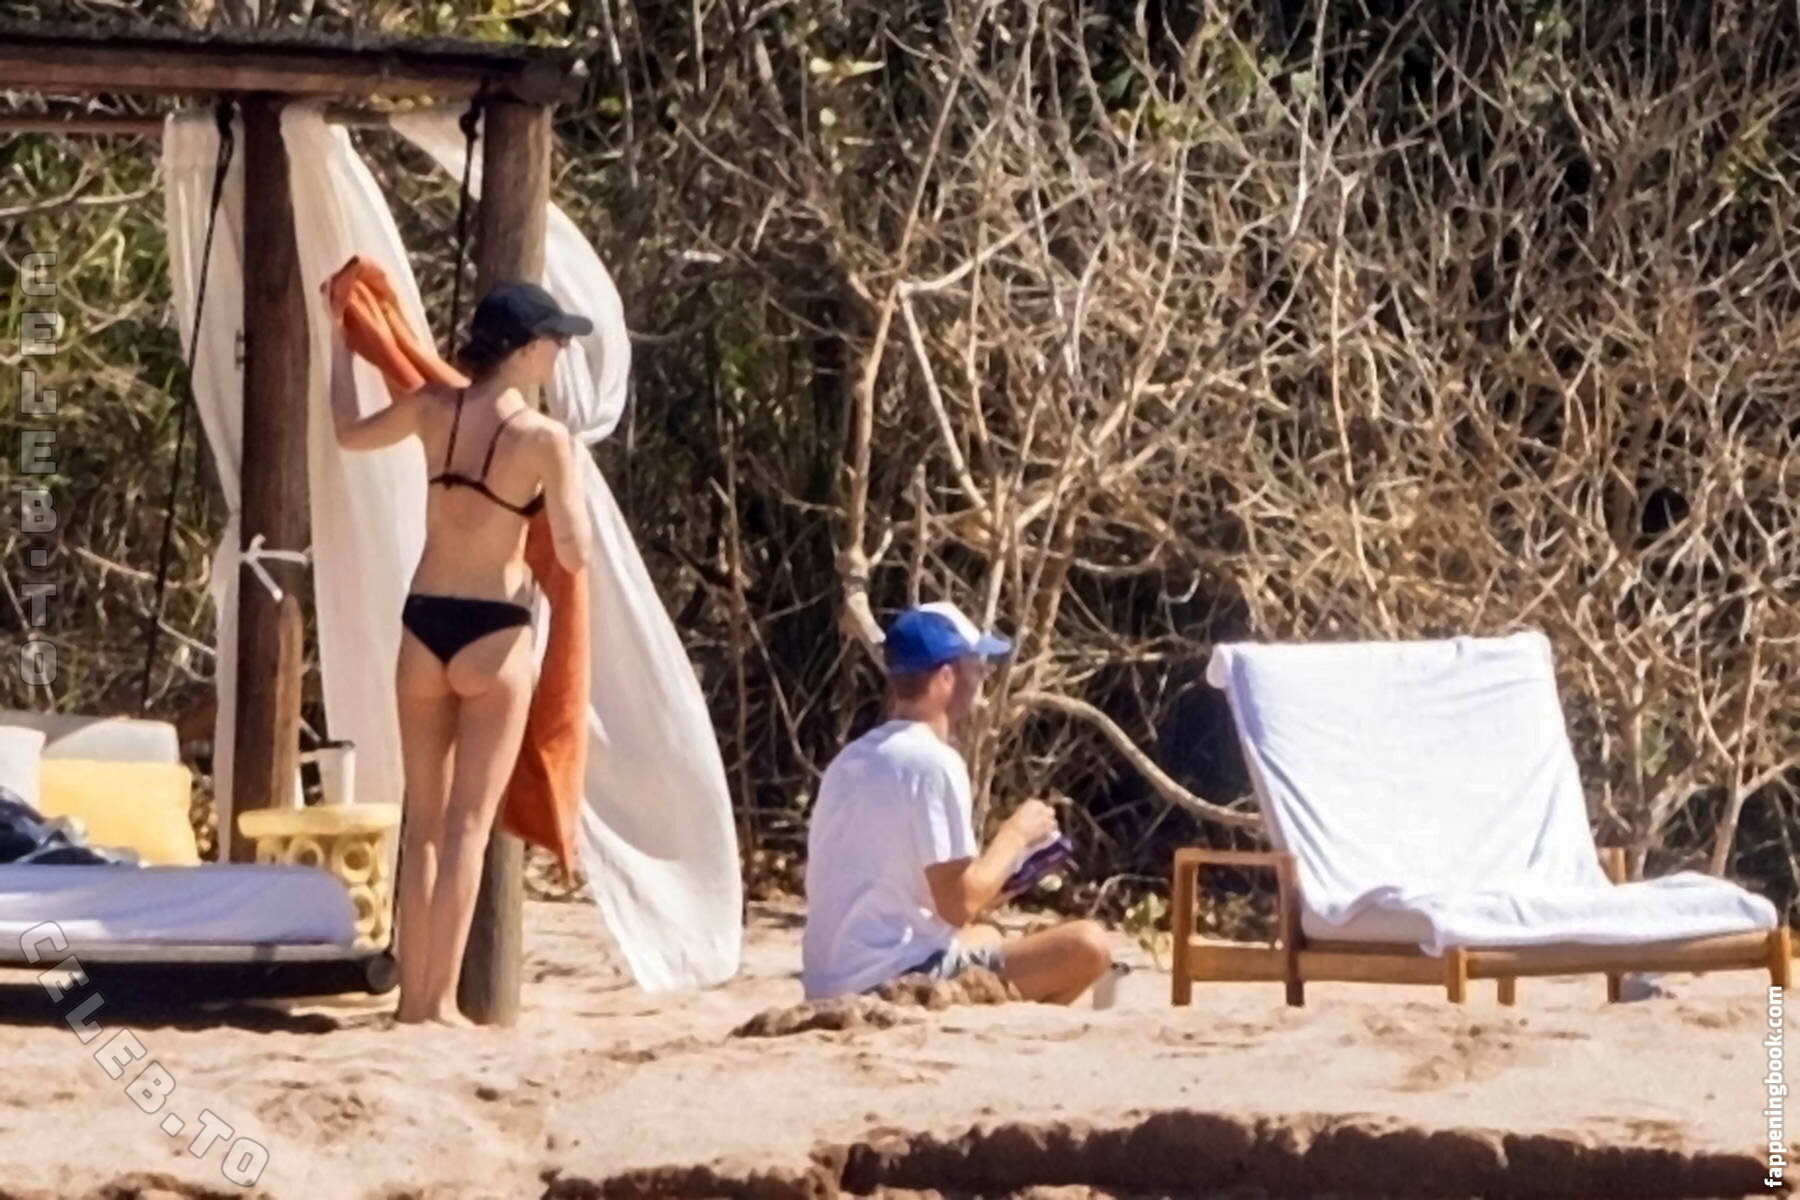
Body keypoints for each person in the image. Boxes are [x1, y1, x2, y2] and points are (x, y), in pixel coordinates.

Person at [323, 278, 594, 1025]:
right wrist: (566, 490)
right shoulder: (545, 440)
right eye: (555, 341)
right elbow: (573, 552)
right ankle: (440, 1002)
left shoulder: (431, 409)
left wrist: (341, 343)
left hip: (424, 621)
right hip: (494, 629)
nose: (559, 353)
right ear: (526, 349)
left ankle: (410, 1001)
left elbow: (348, 432)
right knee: (469, 828)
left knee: (424, 825)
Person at [802, 602, 1112, 1003]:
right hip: (894, 978)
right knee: (1089, 945)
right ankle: (1002, 1027)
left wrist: (1010, 873)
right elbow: (958, 904)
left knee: (987, 934)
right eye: (977, 666)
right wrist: (1015, 836)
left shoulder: (850, 760)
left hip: (829, 979)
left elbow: (926, 896)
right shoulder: (933, 762)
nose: (983, 677)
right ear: (945, 678)